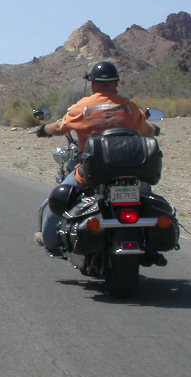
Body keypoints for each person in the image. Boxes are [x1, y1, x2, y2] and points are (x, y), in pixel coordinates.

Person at [34, 60, 158, 255]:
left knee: (57, 200)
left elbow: (59, 127)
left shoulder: (83, 107)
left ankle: (51, 242)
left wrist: (43, 129)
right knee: (148, 196)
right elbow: (147, 129)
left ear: (92, 83)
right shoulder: (129, 107)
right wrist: (155, 129)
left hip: (93, 171)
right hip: (132, 171)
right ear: (116, 83)